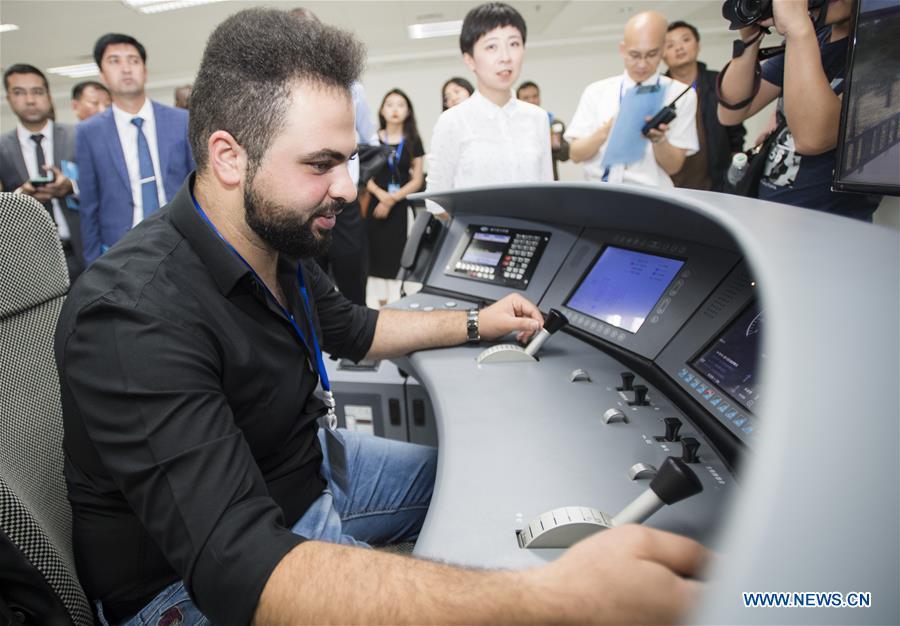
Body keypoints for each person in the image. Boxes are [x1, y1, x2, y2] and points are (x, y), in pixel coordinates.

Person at [55, 8, 706, 625]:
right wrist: (554, 602)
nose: (345, 188)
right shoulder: (132, 315)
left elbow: (354, 328)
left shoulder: (276, 239)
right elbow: (241, 568)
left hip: (306, 469)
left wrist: (477, 324)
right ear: (229, 157)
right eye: (320, 164)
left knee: (494, 491)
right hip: (187, 583)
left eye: (348, 160)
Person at [717, 0, 880, 220]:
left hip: (828, 224)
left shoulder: (882, 49)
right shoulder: (817, 37)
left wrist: (797, 28)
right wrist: (750, 39)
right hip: (772, 213)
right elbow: (731, 112)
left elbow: (812, 139)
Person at [76, 33, 195, 264]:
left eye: (133, 60)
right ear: (102, 75)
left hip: (181, 243)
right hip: (121, 251)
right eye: (114, 61)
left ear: (145, 71)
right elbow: (89, 206)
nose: (126, 69)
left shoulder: (182, 121)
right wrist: (93, 266)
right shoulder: (89, 132)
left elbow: (200, 186)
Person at [291, 6, 380, 306]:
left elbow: (369, 140)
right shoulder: (279, 92)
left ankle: (359, 333)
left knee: (352, 271)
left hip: (344, 201)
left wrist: (359, 180)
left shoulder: (351, 87)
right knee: (308, 279)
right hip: (301, 202)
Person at [427, 3, 552, 199]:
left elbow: (547, 191)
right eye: (492, 46)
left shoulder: (538, 118)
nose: (505, 57)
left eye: (514, 44)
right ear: (470, 60)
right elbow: (436, 201)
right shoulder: (453, 121)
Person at [565, 11, 699, 187]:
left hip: (649, 195)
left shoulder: (681, 95)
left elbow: (673, 167)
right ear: (622, 49)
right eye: (634, 55)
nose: (642, 64)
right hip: (598, 191)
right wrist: (608, 129)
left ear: (663, 49)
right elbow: (575, 154)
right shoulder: (596, 91)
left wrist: (659, 139)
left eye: (651, 54)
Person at [1, 64, 84, 280]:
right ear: (8, 98)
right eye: (19, 92)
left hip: (81, 250)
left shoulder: (79, 136)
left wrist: (71, 187)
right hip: (29, 259)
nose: (30, 100)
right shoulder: (2, 148)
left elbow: (105, 186)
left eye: (37, 92)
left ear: (48, 95)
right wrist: (22, 196)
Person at [662, 21, 746, 191]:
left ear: (698, 45)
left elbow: (735, 129)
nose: (679, 48)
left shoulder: (718, 82)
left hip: (715, 182)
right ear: (662, 55)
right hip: (669, 183)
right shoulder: (657, 91)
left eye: (685, 40)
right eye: (670, 45)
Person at [366, 89, 425, 306]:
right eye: (390, 104)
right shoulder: (373, 140)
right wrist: (382, 196)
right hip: (375, 205)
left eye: (400, 105)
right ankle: (380, 306)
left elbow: (417, 180)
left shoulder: (413, 140)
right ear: (382, 110)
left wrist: (392, 199)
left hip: (400, 206)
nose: (395, 109)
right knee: (375, 258)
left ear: (408, 111)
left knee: (398, 256)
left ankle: (397, 306)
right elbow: (364, 174)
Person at [517, 80, 571, 180]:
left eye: (535, 96)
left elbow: (565, 156)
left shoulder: (554, 124)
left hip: (548, 183)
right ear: (518, 100)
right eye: (526, 98)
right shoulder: (512, 126)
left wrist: (556, 145)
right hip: (520, 182)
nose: (532, 101)